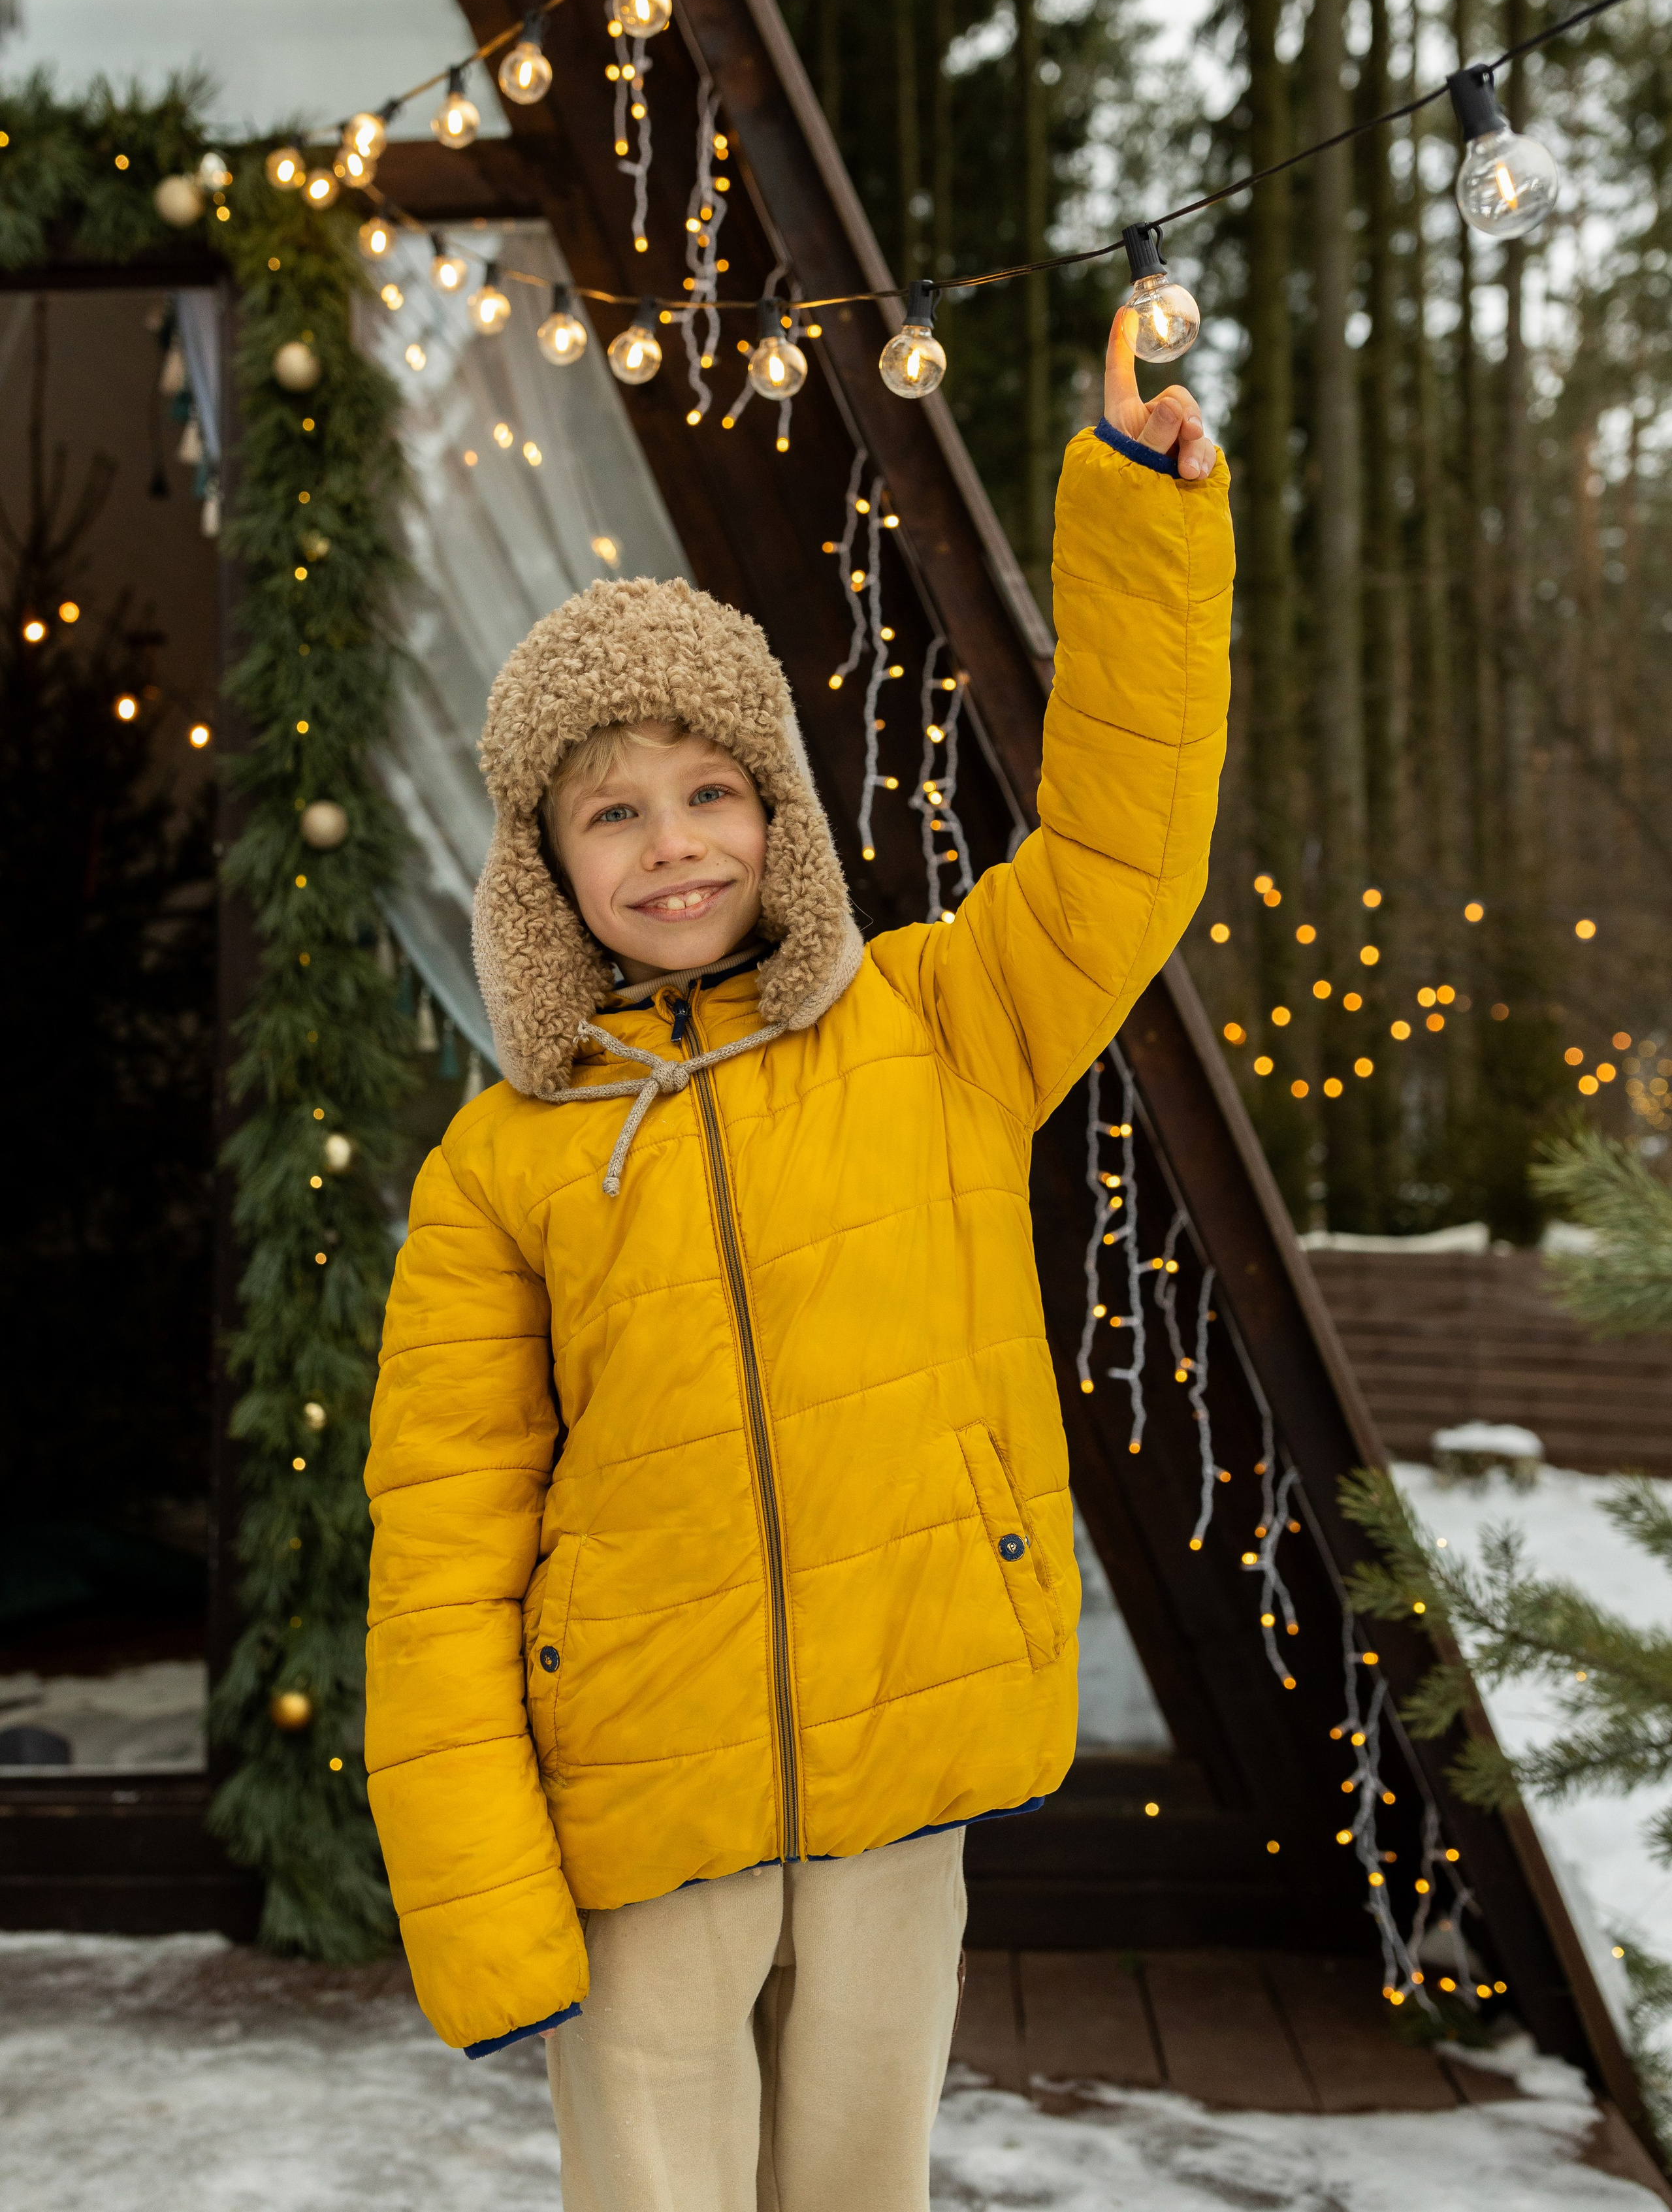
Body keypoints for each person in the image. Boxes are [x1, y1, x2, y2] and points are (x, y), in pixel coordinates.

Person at [364, 310, 1232, 2212]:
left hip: (896, 1780)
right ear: (546, 867)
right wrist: (485, 1897)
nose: (673, 847)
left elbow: (1124, 853)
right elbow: (440, 1550)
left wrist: (1142, 518)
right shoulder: (501, 1163)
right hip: (644, 1815)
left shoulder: (938, 1022)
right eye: (613, 811)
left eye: (709, 793)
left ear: (777, 812)